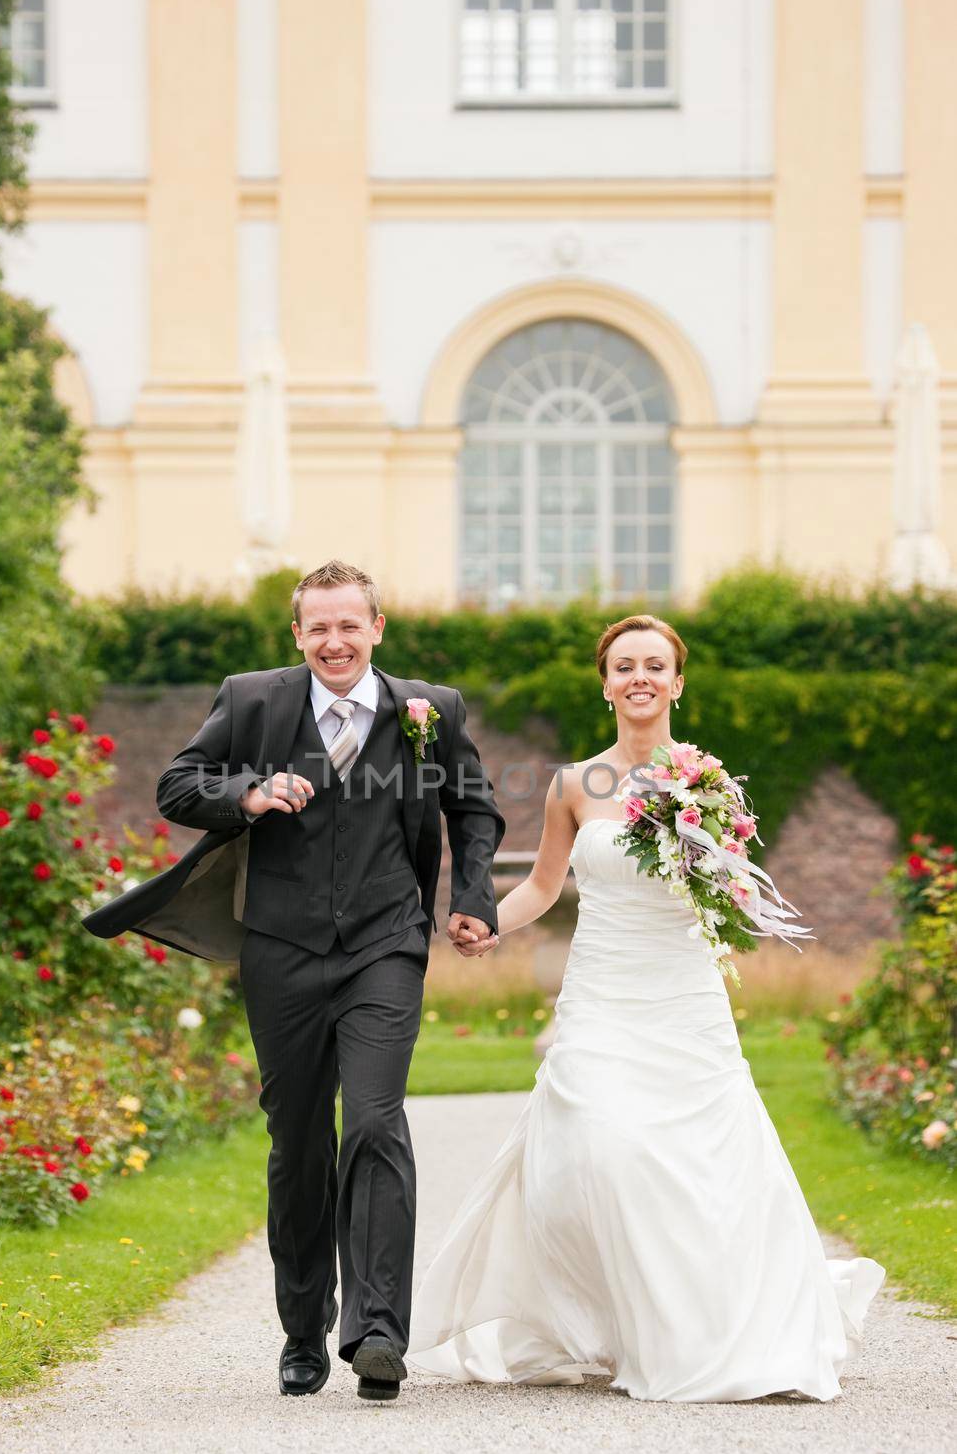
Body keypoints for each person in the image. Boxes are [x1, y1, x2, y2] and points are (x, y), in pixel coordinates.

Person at [407, 613, 884, 1402]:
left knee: (702, 1158)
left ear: (676, 682)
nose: (639, 677)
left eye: (654, 666)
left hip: (682, 991)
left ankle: (703, 1327)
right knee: (599, 1144)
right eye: (624, 665)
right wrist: (484, 921)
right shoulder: (574, 784)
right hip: (601, 991)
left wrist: (703, 840)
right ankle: (610, 1315)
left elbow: (729, 893)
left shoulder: (709, 782)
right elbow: (542, 885)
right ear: (604, 683)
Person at [85, 560, 504, 1402]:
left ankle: (379, 1330)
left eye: (349, 626)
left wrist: (472, 895)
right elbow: (177, 785)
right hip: (280, 949)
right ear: (296, 634)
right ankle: (303, 1327)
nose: (334, 641)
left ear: (377, 629)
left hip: (386, 941)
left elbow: (473, 805)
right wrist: (248, 791)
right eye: (318, 627)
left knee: (376, 1122)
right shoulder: (252, 701)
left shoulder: (429, 710)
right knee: (299, 1140)